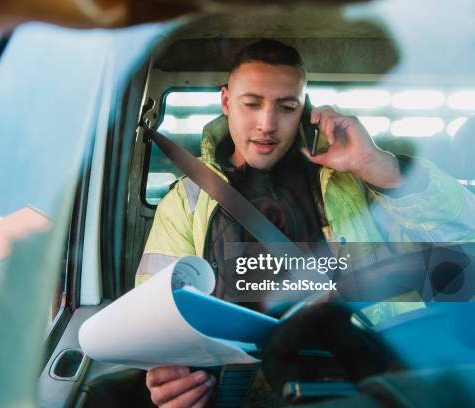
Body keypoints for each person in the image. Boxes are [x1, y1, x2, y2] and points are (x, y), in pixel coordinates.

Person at [136, 39, 475, 408]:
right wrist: (169, 380)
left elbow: (462, 234)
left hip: (374, 386)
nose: (267, 124)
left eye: (286, 106)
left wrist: (381, 167)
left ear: (304, 109)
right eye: (252, 104)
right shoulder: (186, 202)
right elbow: (156, 324)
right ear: (225, 102)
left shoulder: (354, 181)